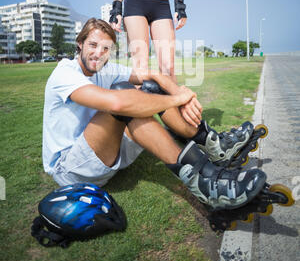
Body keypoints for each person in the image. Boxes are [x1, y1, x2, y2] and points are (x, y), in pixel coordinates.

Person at [42, 18, 267, 211]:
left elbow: (154, 75)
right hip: (71, 171)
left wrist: (181, 93)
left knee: (149, 88)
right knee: (125, 98)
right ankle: (203, 182)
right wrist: (176, 99)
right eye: (93, 45)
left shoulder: (105, 67)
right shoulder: (64, 73)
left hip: (103, 155)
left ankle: (213, 145)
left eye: (106, 48)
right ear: (79, 44)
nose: (99, 53)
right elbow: (117, 103)